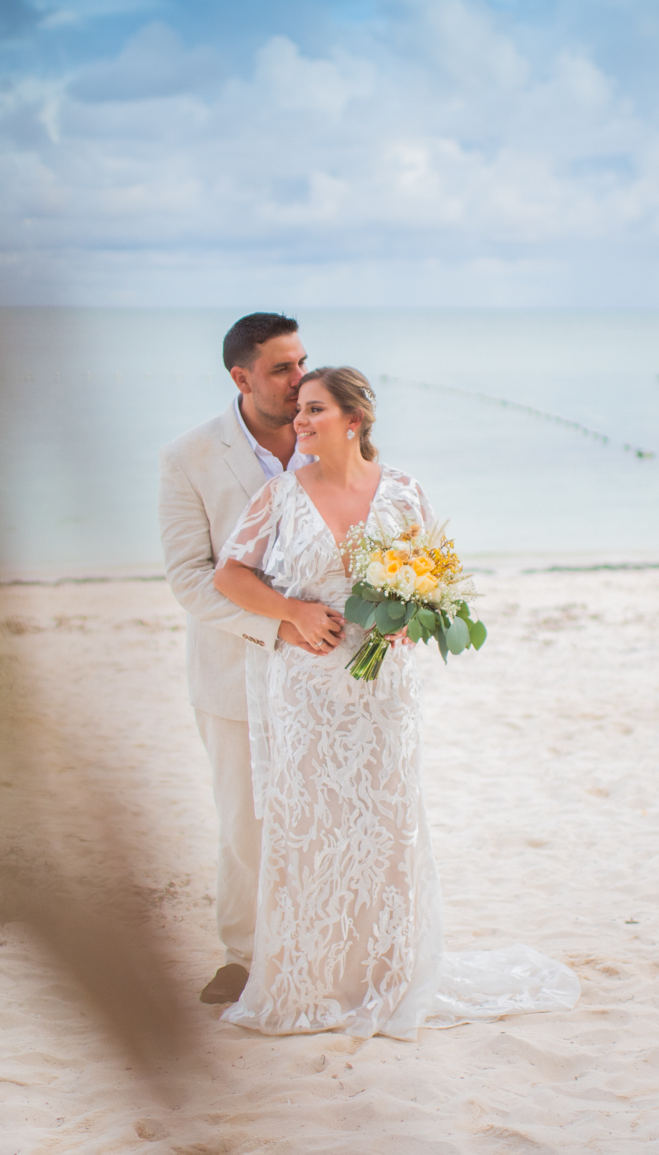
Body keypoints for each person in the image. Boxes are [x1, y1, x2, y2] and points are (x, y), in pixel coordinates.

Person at [210, 366, 580, 1039]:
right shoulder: (279, 495)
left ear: (353, 419)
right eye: (298, 410)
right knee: (309, 827)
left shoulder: (404, 492)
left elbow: (436, 578)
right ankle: (308, 978)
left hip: (385, 691)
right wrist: (291, 610)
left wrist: (410, 619)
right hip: (306, 688)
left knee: (385, 824)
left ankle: (386, 972)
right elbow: (229, 575)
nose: (299, 421)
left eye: (314, 409)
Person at [159, 313, 331, 1006]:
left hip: (325, 666)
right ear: (241, 377)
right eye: (282, 369)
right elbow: (188, 578)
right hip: (233, 667)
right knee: (243, 820)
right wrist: (280, 622)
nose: (299, 380)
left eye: (302, 363)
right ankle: (243, 956)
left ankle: (320, 943)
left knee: (321, 809)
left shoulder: (327, 434)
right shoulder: (189, 456)